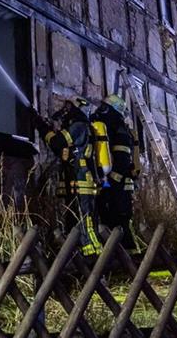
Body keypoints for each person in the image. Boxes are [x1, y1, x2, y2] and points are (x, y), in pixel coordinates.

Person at [34, 98, 103, 255]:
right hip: (77, 178)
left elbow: (58, 143)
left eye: (67, 108)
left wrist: (41, 126)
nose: (64, 112)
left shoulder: (78, 126)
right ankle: (81, 255)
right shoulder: (81, 126)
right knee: (76, 219)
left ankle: (93, 255)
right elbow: (63, 147)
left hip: (81, 179)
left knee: (85, 219)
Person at [93, 94, 138, 251]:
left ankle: (127, 256)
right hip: (116, 182)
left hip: (116, 184)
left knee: (117, 219)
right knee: (116, 218)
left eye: (105, 107)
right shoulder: (117, 127)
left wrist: (109, 179)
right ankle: (123, 255)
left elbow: (120, 158)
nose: (101, 110)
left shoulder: (115, 126)